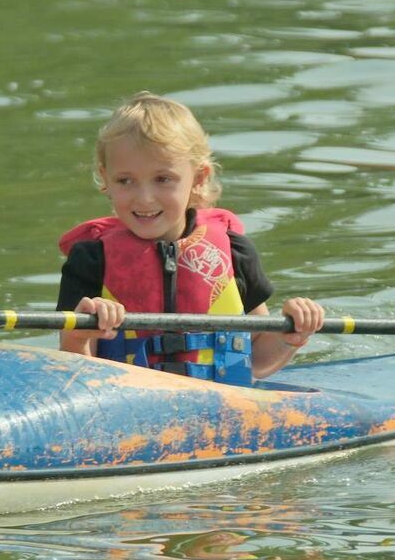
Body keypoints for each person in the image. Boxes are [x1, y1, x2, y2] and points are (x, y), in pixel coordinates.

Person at [55, 91, 325, 385]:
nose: (144, 198)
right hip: (125, 401)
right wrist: (80, 331)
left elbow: (256, 360)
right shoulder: (90, 260)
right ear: (105, 178)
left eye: (163, 179)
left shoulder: (235, 252)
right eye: (125, 181)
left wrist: (292, 332)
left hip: (221, 404)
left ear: (198, 178)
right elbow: (75, 368)